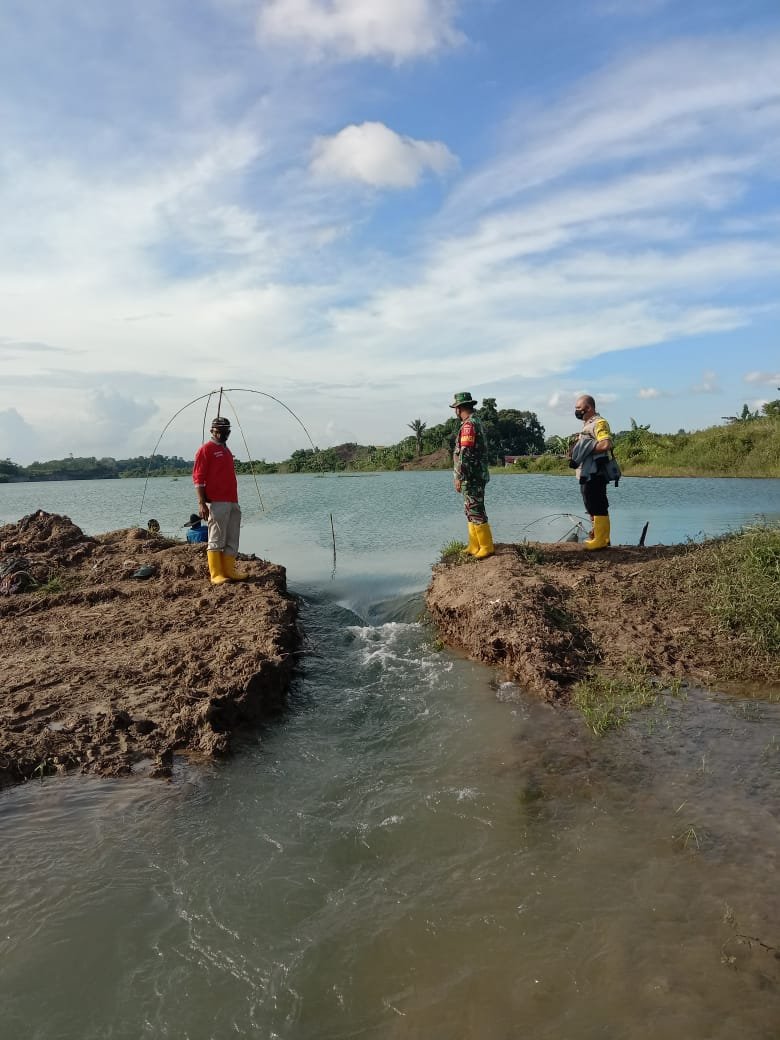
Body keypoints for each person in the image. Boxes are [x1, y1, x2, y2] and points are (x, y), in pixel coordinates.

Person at [192, 416, 248, 584]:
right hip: (217, 501)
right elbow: (198, 479)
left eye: (226, 431)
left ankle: (229, 570)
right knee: (216, 537)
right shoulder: (205, 449)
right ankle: (216, 574)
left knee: (233, 537)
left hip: (232, 499)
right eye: (219, 431)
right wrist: (202, 503)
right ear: (212, 431)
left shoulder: (226, 450)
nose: (223, 434)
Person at [450, 391, 494, 558]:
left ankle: (486, 546)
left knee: (475, 509)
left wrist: (459, 476)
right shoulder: (474, 422)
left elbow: (465, 454)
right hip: (473, 474)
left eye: (456, 408)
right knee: (470, 509)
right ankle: (474, 545)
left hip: (472, 475)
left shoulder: (469, 425)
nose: (455, 411)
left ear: (459, 408)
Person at [570, 394, 613, 550]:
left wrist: (585, 448)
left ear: (588, 408)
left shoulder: (599, 423)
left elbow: (606, 444)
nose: (576, 411)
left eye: (578, 408)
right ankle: (599, 537)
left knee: (597, 504)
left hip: (596, 473)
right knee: (591, 504)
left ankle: (601, 540)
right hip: (587, 473)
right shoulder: (588, 424)